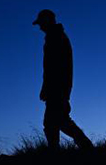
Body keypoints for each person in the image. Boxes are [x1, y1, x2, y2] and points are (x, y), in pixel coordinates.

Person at [32, 9, 94, 150]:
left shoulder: (56, 37)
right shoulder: (54, 37)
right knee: (55, 121)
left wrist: (50, 87)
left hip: (58, 87)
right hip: (57, 87)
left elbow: (56, 67)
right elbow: (50, 68)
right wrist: (46, 87)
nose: (40, 27)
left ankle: (85, 147)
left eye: (41, 23)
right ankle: (77, 148)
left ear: (47, 21)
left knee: (57, 121)